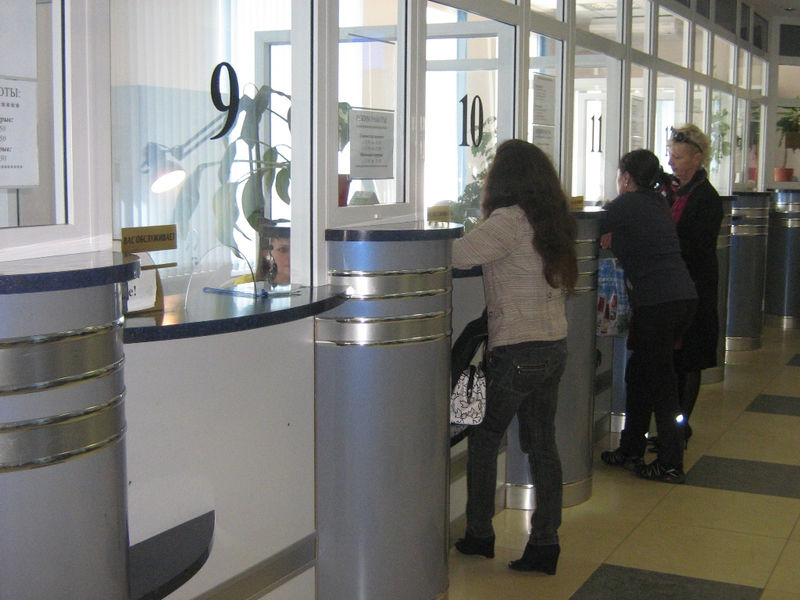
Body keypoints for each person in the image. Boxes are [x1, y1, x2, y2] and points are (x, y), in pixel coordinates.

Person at [451, 139, 578, 575]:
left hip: (518, 351)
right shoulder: (551, 220)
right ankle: (545, 542)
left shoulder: (507, 221)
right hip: (554, 346)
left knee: (485, 437)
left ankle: (479, 533)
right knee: (542, 445)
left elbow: (456, 255)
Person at [599, 149, 697, 483]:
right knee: (640, 376)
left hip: (658, 304)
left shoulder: (627, 203)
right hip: (678, 298)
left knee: (661, 385)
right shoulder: (656, 201)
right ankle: (630, 449)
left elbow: (590, 226)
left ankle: (670, 462)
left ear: (626, 178)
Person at [664, 125, 723, 445]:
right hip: (675, 288)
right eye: (670, 155)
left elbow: (696, 247)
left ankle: (680, 428)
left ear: (697, 158)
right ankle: (673, 427)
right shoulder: (673, 192)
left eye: (678, 157)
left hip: (695, 287)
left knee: (690, 358)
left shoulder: (706, 198)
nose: (672, 162)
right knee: (673, 360)